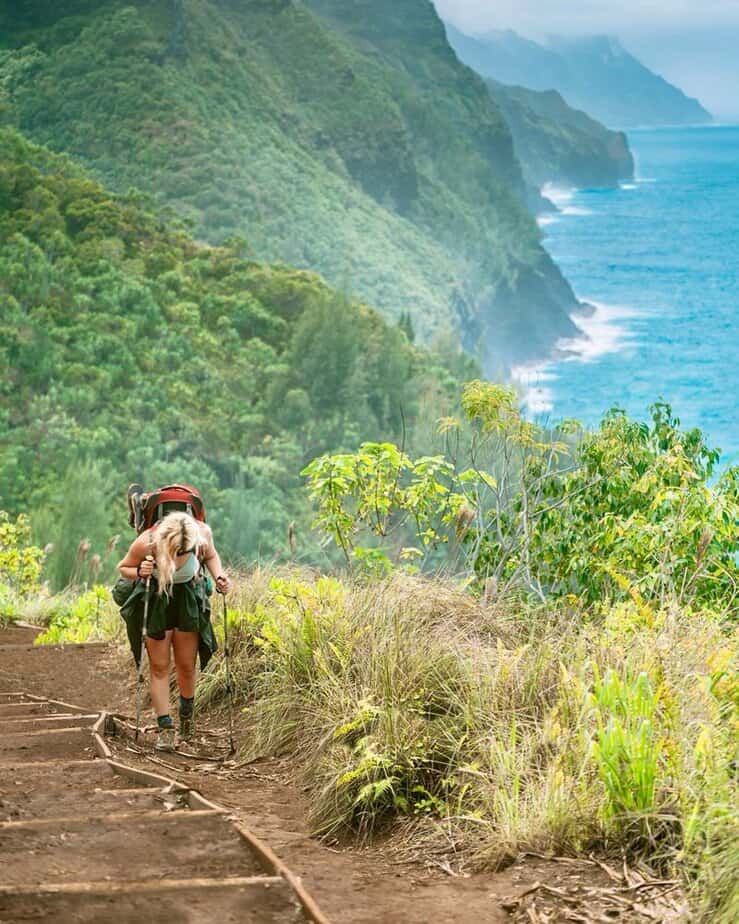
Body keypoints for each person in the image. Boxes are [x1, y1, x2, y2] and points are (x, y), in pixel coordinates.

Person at [117, 510, 230, 751]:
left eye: (186, 551)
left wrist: (219, 576)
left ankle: (187, 719)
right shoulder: (147, 542)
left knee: (186, 665)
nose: (181, 555)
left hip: (187, 599)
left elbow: (211, 556)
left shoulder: (201, 535)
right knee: (159, 666)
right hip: (157, 599)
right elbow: (124, 568)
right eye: (177, 551)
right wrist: (139, 573)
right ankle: (165, 728)